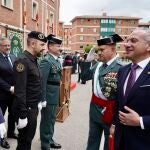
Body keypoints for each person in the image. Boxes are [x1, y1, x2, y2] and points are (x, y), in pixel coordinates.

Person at [81, 34, 123, 150]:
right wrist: (87, 61)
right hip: (94, 108)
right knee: (92, 139)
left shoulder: (121, 68)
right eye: (98, 50)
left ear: (113, 49)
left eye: (102, 50)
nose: (99, 53)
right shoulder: (98, 65)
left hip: (109, 111)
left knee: (108, 142)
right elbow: (84, 77)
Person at [110, 28, 150, 150]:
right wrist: (114, 123)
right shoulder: (123, 70)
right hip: (121, 139)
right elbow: (118, 102)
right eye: (127, 40)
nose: (126, 44)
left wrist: (141, 121)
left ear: (148, 46)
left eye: (133, 41)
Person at [12, 31, 47, 150]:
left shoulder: (33, 59)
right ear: (32, 43)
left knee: (27, 140)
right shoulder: (22, 61)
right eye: (42, 45)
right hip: (26, 109)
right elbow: (20, 90)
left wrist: (39, 101)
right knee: (24, 143)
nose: (44, 48)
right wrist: (22, 115)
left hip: (33, 107)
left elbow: (35, 84)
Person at [40, 34, 62, 150]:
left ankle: (50, 139)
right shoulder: (46, 61)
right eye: (58, 46)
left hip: (54, 95)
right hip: (48, 96)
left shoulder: (56, 61)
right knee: (46, 120)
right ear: (51, 46)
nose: (60, 48)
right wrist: (42, 99)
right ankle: (45, 143)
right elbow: (42, 82)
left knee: (52, 120)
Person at [0, 37, 17, 149]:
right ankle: (1, 138)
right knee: (0, 118)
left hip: (14, 93)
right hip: (2, 93)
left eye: (9, 45)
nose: (7, 47)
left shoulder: (13, 57)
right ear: (0, 46)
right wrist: (9, 88)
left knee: (13, 114)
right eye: (5, 45)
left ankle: (11, 132)